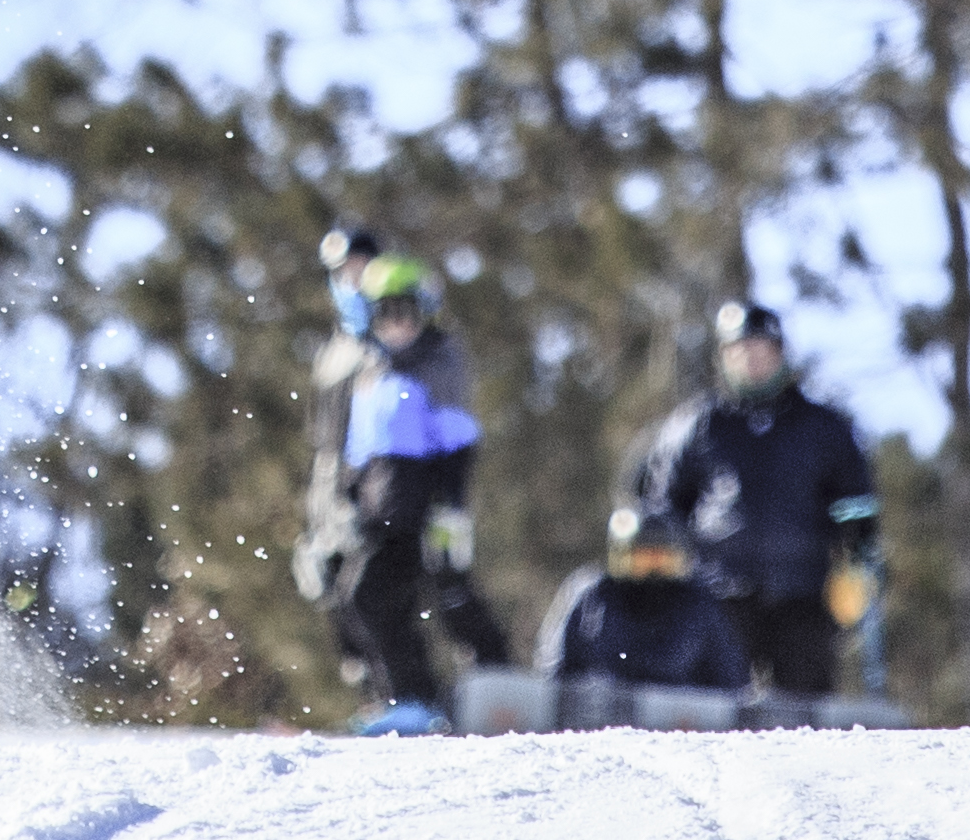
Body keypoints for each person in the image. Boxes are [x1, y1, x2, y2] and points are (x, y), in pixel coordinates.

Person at [296, 233, 512, 734]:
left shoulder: (437, 365)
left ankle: (477, 690)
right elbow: (356, 459)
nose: (396, 326)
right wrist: (344, 510)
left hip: (420, 513)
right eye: (385, 315)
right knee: (362, 599)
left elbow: (457, 446)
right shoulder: (371, 373)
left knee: (435, 597)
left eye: (406, 314)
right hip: (379, 517)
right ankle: (409, 699)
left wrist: (451, 510)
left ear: (424, 312)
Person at [638, 299, 880, 697]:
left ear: (780, 355)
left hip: (803, 594)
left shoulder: (822, 426)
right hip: (717, 594)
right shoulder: (698, 424)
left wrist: (857, 559)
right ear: (724, 358)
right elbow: (662, 503)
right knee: (714, 711)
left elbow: (855, 503)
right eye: (740, 351)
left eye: (761, 350)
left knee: (805, 714)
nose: (752, 361)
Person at [533, 504, 750, 706]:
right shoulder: (592, 594)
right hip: (601, 714)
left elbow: (730, 676)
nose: (653, 573)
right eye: (642, 561)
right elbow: (555, 664)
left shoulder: (697, 602)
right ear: (619, 556)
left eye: (663, 562)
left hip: (678, 720)